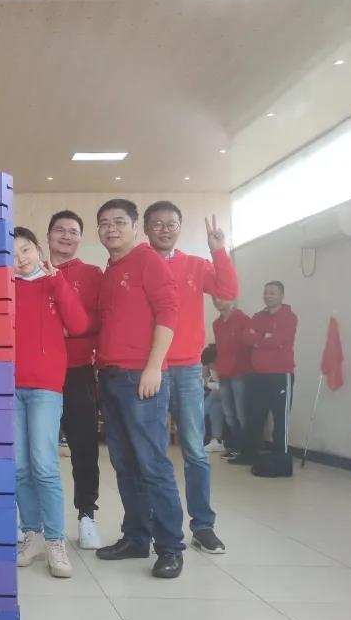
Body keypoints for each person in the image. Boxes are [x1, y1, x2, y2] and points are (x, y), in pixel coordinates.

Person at [0, 227, 87, 578]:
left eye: (25, 250)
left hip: (45, 387)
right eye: (12, 255)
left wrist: (58, 283)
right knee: (19, 467)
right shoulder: (3, 290)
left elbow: (79, 324)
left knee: (44, 465)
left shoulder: (54, 284)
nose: (20, 259)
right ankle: (32, 534)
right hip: (8, 387)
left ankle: (56, 540)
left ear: (38, 249)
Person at [93, 199, 185, 579]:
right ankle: (135, 537)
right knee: (125, 464)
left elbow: (169, 312)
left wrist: (154, 367)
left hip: (140, 378)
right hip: (110, 377)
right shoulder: (111, 269)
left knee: (152, 464)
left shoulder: (148, 260)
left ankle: (170, 547)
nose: (111, 228)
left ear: (135, 227)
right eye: (104, 223)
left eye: (119, 221)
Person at [143, 201, 235, 554]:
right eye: (157, 224)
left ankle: (203, 526)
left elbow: (227, 292)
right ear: (146, 228)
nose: (165, 230)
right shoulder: (139, 263)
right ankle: (158, 524)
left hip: (186, 369)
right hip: (149, 368)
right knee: (153, 451)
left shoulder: (196, 265)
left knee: (195, 449)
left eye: (171, 224)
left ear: (180, 228)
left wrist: (219, 251)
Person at [45, 210, 103, 550]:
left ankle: (86, 515)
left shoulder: (92, 274)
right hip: (38, 373)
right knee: (38, 450)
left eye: (73, 231)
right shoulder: (32, 269)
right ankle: (34, 521)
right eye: (60, 230)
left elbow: (99, 317)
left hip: (78, 369)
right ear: (48, 235)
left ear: (81, 237)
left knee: (83, 445)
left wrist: (68, 329)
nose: (66, 236)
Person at [230, 281, 297, 465]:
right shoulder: (258, 316)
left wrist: (258, 338)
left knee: (280, 418)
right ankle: (250, 455)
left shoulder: (289, 317)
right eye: (266, 292)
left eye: (272, 293)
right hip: (258, 375)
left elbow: (279, 340)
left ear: (281, 295)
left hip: (280, 375)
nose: (268, 296)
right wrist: (264, 337)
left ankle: (281, 458)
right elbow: (246, 337)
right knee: (254, 417)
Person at [212, 298, 250, 459]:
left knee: (241, 413)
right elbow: (220, 349)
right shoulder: (216, 324)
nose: (217, 300)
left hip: (240, 373)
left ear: (231, 299)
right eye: (214, 298)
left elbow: (248, 346)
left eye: (221, 297)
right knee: (228, 413)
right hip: (224, 373)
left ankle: (245, 449)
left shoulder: (243, 319)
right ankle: (235, 446)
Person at [201, 344, 226, 453]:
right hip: (221, 396)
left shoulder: (226, 366)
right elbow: (216, 383)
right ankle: (216, 440)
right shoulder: (213, 369)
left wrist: (207, 384)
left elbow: (223, 386)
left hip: (234, 393)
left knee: (214, 395)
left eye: (210, 365)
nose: (210, 368)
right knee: (216, 406)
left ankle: (197, 416)